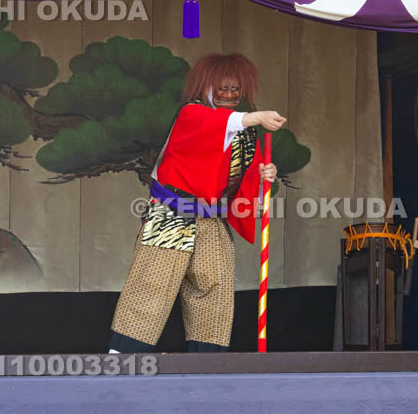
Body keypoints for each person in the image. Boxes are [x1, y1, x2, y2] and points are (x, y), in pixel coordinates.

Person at [108, 52, 286, 353]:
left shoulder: (244, 134)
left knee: (214, 290)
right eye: (222, 88)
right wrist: (257, 116)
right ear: (206, 87)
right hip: (170, 215)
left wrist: (265, 173)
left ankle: (207, 364)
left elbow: (242, 185)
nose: (229, 95)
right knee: (151, 287)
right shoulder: (192, 114)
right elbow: (217, 123)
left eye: (235, 89)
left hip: (212, 219)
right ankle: (122, 358)